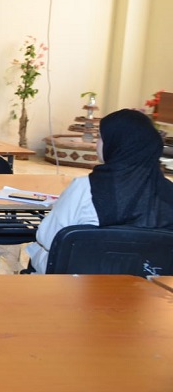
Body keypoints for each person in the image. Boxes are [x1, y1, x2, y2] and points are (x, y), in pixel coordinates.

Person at [25, 108, 173, 273]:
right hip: (149, 287)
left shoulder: (86, 188)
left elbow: (49, 237)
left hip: (79, 285)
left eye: (101, 137)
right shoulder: (169, 193)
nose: (97, 144)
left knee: (38, 252)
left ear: (115, 143)